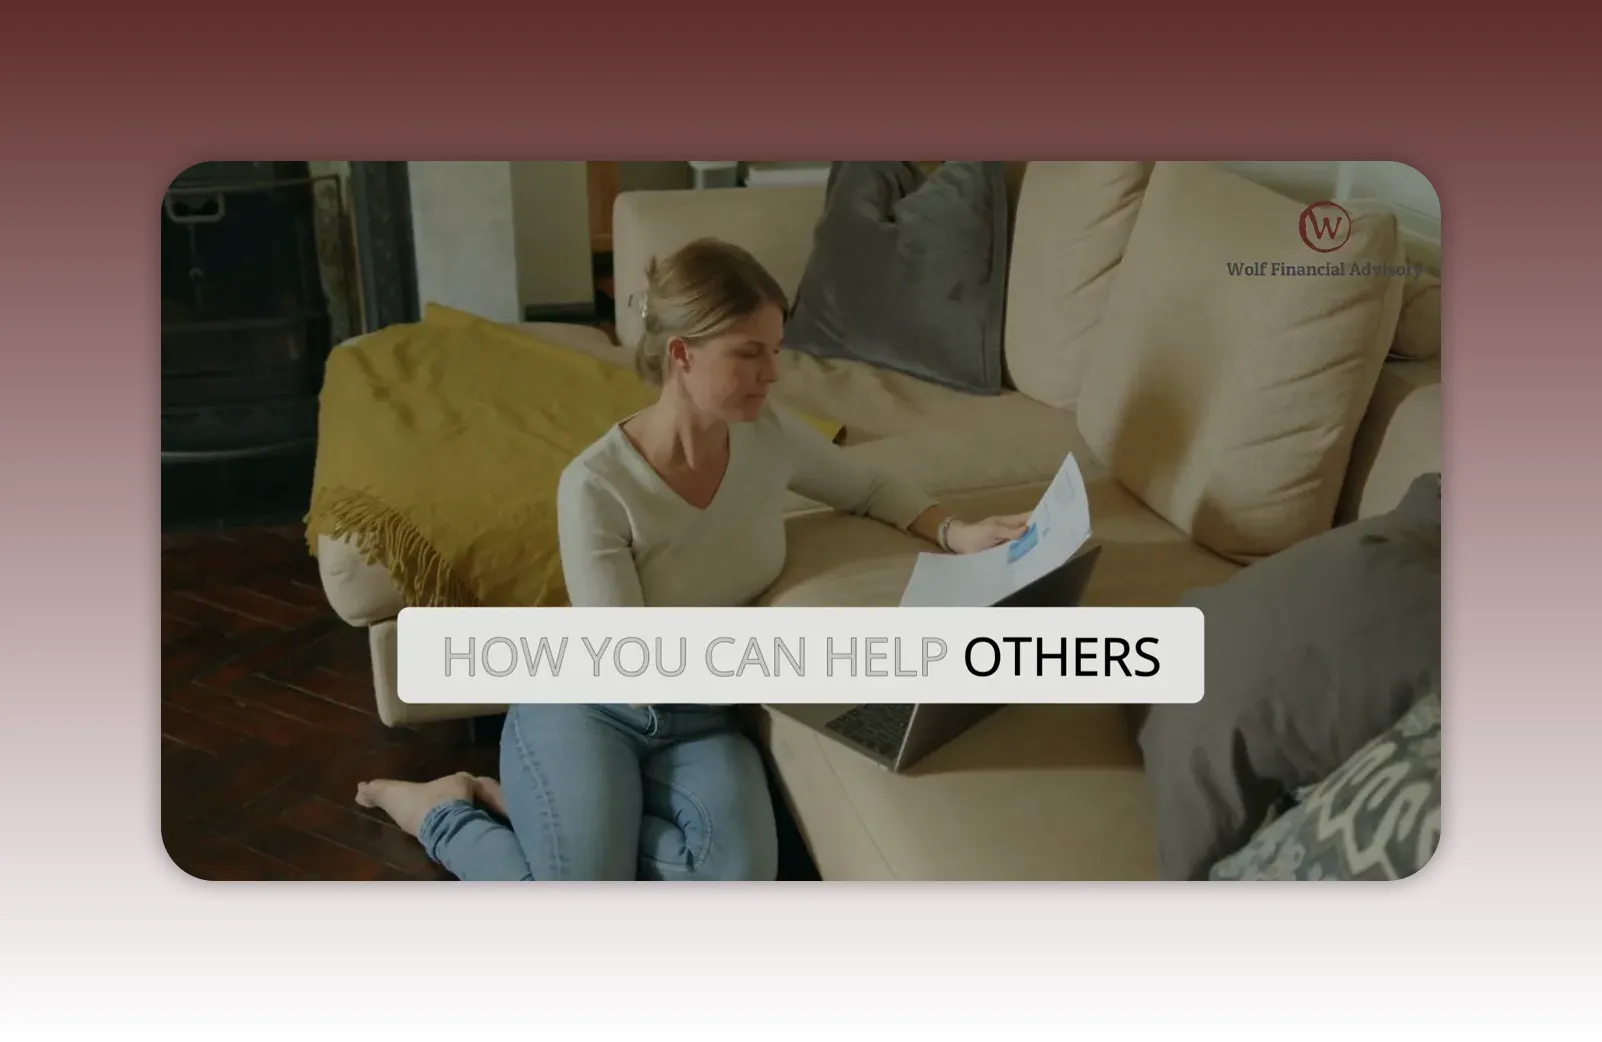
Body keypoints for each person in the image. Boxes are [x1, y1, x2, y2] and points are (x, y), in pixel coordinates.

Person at [355, 237, 1031, 881]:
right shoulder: (596, 487)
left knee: (737, 878)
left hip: (698, 722)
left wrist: (955, 532)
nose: (772, 372)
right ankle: (442, 812)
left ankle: (553, 829)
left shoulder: (767, 438)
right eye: (749, 353)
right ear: (682, 354)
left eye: (775, 350)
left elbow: (871, 486)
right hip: (589, 707)